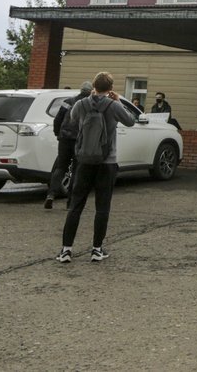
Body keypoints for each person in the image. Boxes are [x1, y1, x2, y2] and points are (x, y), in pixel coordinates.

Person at [57, 72, 135, 263]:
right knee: (102, 207)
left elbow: (73, 120)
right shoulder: (113, 105)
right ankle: (97, 250)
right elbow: (131, 121)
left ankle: (66, 250)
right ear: (111, 88)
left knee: (76, 205)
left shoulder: (81, 104)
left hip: (84, 160)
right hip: (107, 162)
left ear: (94, 86)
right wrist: (118, 101)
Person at [44, 81, 92, 209]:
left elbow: (58, 119)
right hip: (79, 140)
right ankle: (70, 202)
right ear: (90, 91)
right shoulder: (90, 104)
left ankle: (51, 195)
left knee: (61, 167)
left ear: (81, 90)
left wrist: (58, 133)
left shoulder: (68, 101)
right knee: (76, 170)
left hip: (64, 138)